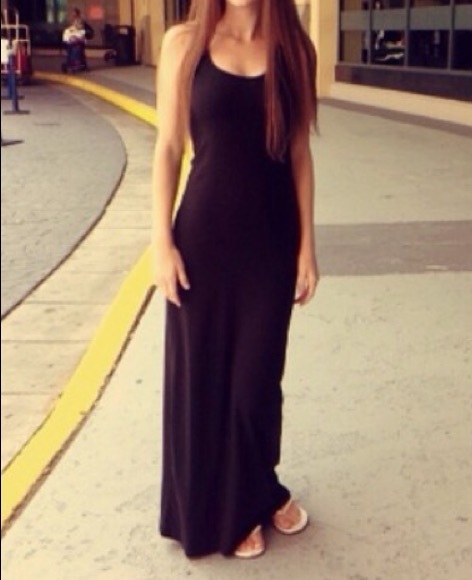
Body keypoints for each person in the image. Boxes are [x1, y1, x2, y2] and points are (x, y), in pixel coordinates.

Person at [152, 0, 319, 560]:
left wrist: (308, 245)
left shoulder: (296, 51)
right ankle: (235, 507)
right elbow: (168, 147)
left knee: (256, 385)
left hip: (271, 244)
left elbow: (299, 153)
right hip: (203, 241)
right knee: (204, 382)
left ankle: (259, 486)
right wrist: (160, 242)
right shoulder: (184, 44)